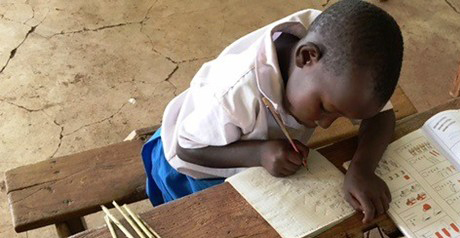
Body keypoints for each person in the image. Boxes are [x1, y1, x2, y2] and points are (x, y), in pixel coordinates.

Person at [142, 0, 403, 223]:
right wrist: (260, 152)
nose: (324, 125)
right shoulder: (233, 93)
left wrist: (362, 168)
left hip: (246, 150)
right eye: (325, 109)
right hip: (196, 165)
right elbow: (185, 148)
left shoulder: (338, 52)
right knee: (199, 224)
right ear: (306, 57)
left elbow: (381, 116)